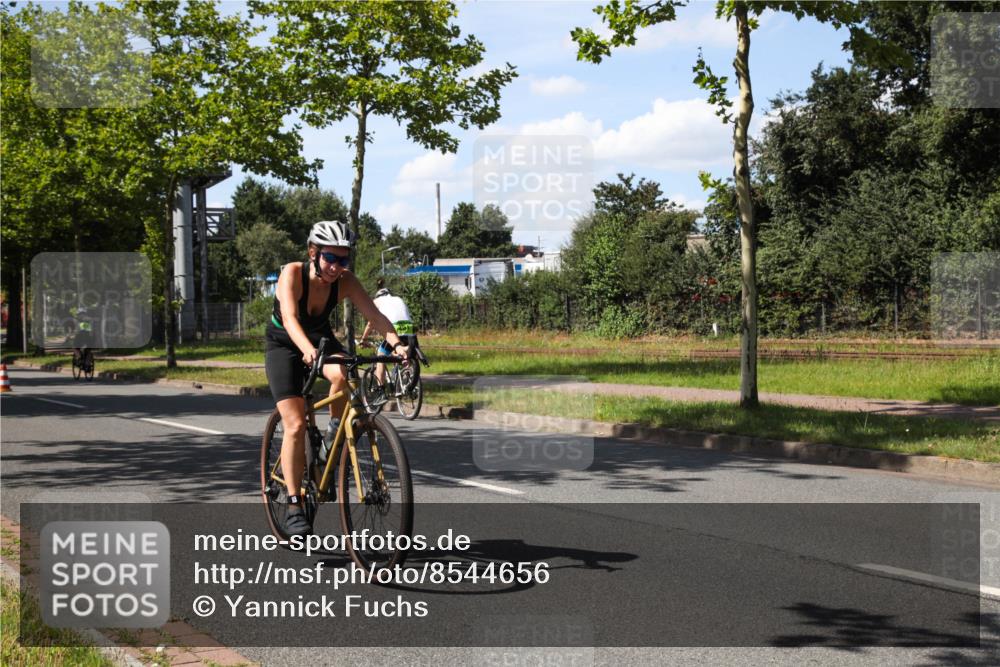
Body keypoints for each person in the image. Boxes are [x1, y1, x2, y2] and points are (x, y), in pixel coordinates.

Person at [265, 220, 408, 537]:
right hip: (285, 344)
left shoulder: (345, 281)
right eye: (331, 258)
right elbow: (289, 318)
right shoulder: (292, 273)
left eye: (344, 260)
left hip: (320, 339)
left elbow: (375, 315)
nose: (336, 267)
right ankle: (292, 504)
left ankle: (331, 437)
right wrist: (306, 351)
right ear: (313, 252)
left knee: (343, 373)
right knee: (296, 423)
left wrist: (398, 345)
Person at [358, 278, 415, 387]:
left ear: (377, 296)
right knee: (402, 353)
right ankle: (408, 380)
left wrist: (363, 339)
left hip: (394, 329)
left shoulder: (376, 301)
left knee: (381, 356)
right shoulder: (397, 298)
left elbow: (371, 323)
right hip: (409, 328)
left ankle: (380, 390)